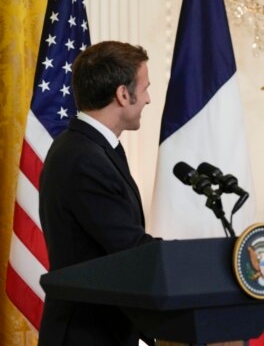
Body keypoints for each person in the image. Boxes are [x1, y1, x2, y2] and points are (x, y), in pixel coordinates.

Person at [38, 41, 159, 346]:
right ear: (122, 94)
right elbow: (130, 250)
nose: (148, 99)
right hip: (85, 336)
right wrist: (195, 263)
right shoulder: (83, 158)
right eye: (144, 88)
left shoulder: (90, 148)